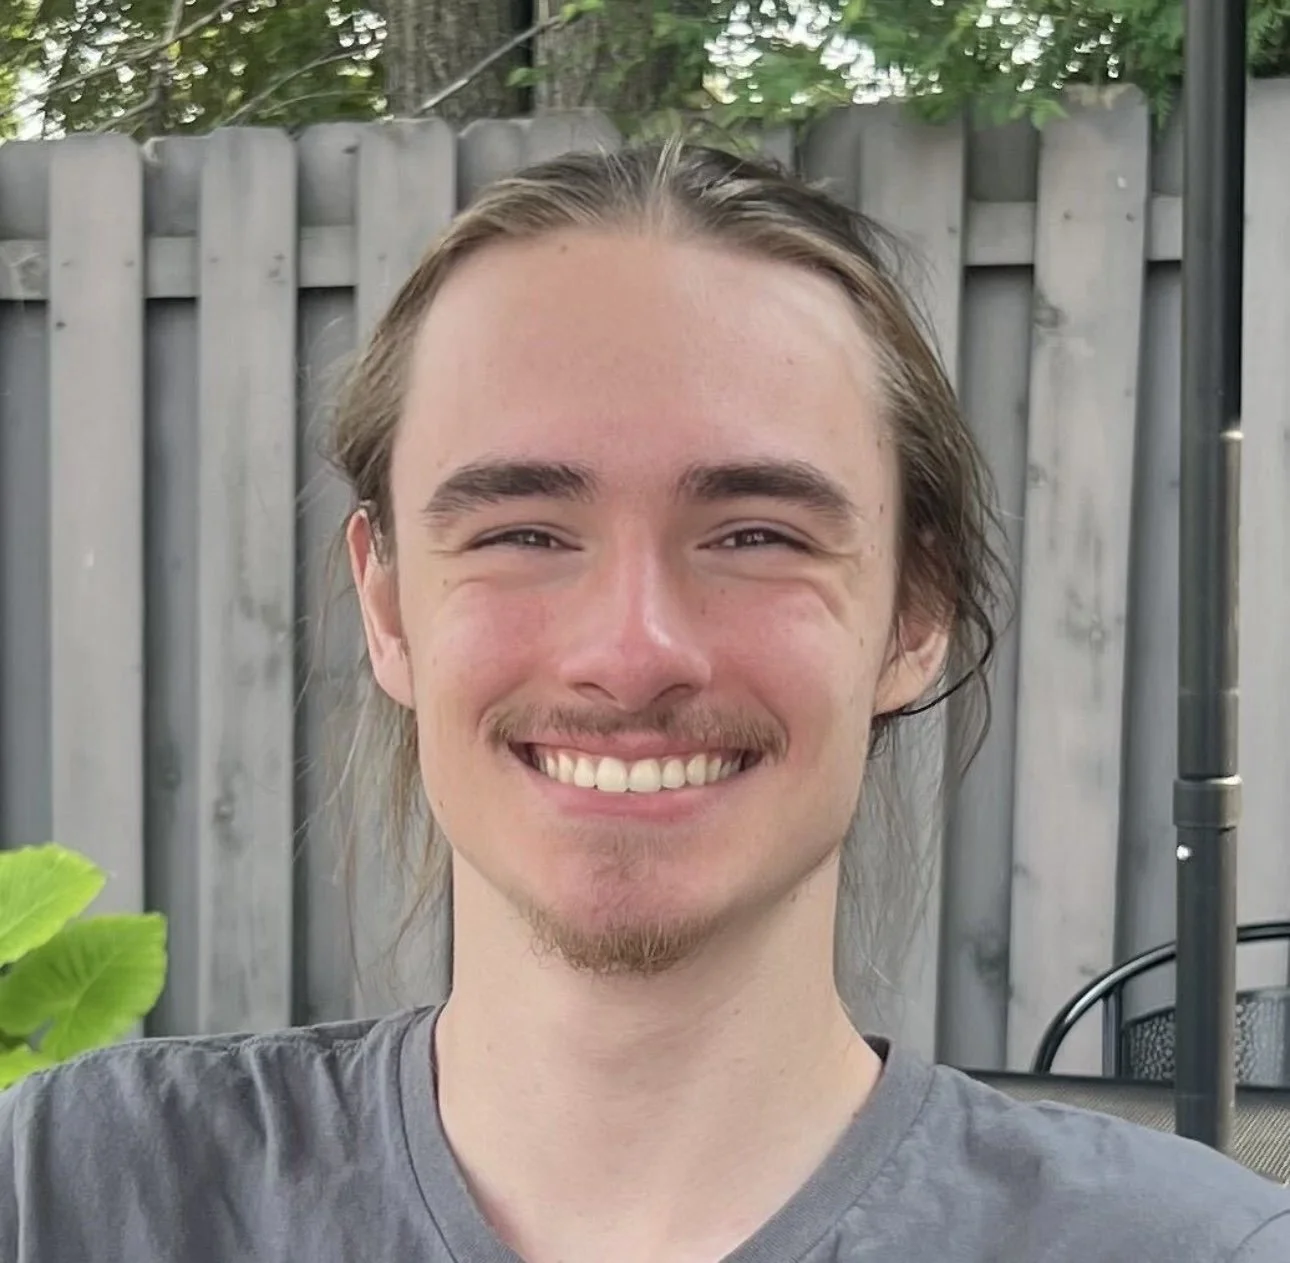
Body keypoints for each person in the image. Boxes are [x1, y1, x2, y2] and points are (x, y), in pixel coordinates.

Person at [2, 140, 1287, 1263]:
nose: (631, 652)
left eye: (757, 534)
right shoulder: (68, 1193)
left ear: (914, 613)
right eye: (521, 532)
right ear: (387, 608)